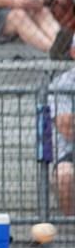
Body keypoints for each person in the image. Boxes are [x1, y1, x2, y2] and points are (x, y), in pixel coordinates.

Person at [48, 67, 75, 215]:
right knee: (65, 175)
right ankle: (72, 225)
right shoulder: (63, 83)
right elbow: (67, 127)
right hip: (69, 151)